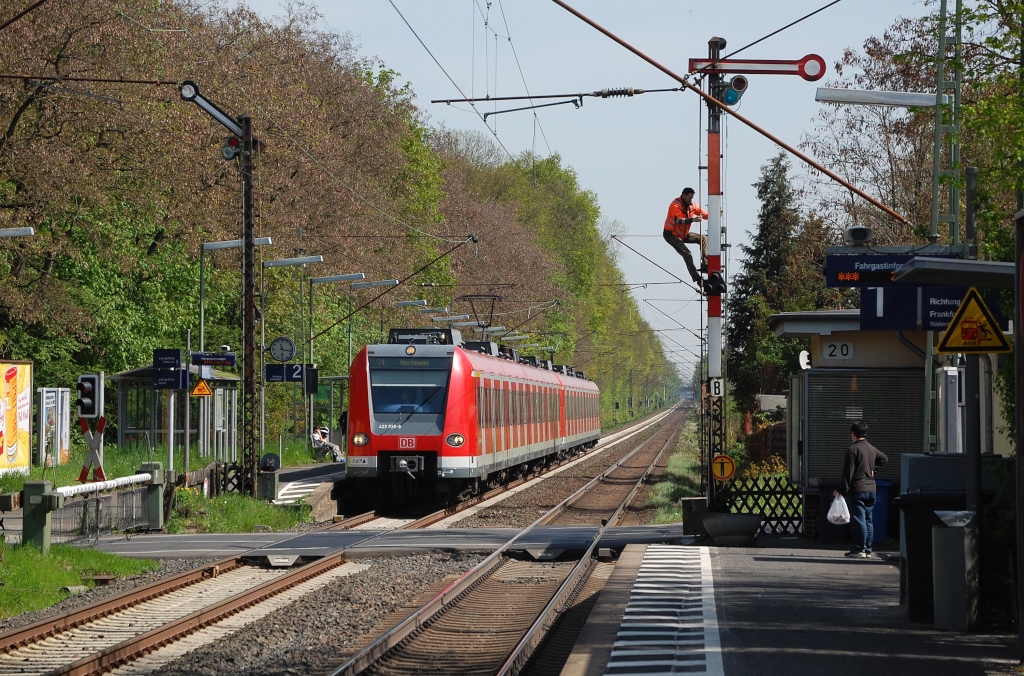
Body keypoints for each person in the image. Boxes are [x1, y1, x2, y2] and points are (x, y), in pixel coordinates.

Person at [833, 420, 888, 558]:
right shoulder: (871, 449)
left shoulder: (853, 450)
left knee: (858, 520)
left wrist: (841, 490)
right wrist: (874, 470)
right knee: (868, 519)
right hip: (871, 489)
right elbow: (884, 459)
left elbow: (848, 474)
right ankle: (868, 549)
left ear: (853, 434)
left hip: (857, 489)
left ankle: (859, 549)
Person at [663, 187, 709, 285]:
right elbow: (678, 221)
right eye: (689, 198)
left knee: (704, 238)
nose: (690, 200)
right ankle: (697, 279)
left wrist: (714, 214)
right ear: (684, 196)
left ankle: (706, 264)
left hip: (683, 234)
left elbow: (704, 214)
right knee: (687, 254)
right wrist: (693, 220)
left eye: (691, 198)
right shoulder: (675, 205)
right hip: (671, 235)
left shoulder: (692, 205)